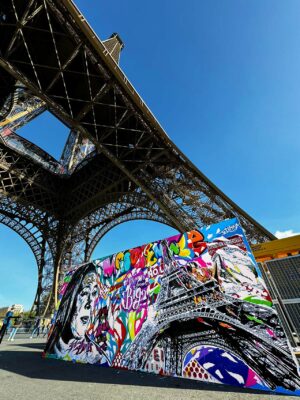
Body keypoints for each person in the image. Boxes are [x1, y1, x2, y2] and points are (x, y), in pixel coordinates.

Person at [44, 263, 109, 365]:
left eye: (94, 294)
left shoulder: (96, 355)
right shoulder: (54, 346)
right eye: (84, 293)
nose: (89, 303)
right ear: (71, 299)